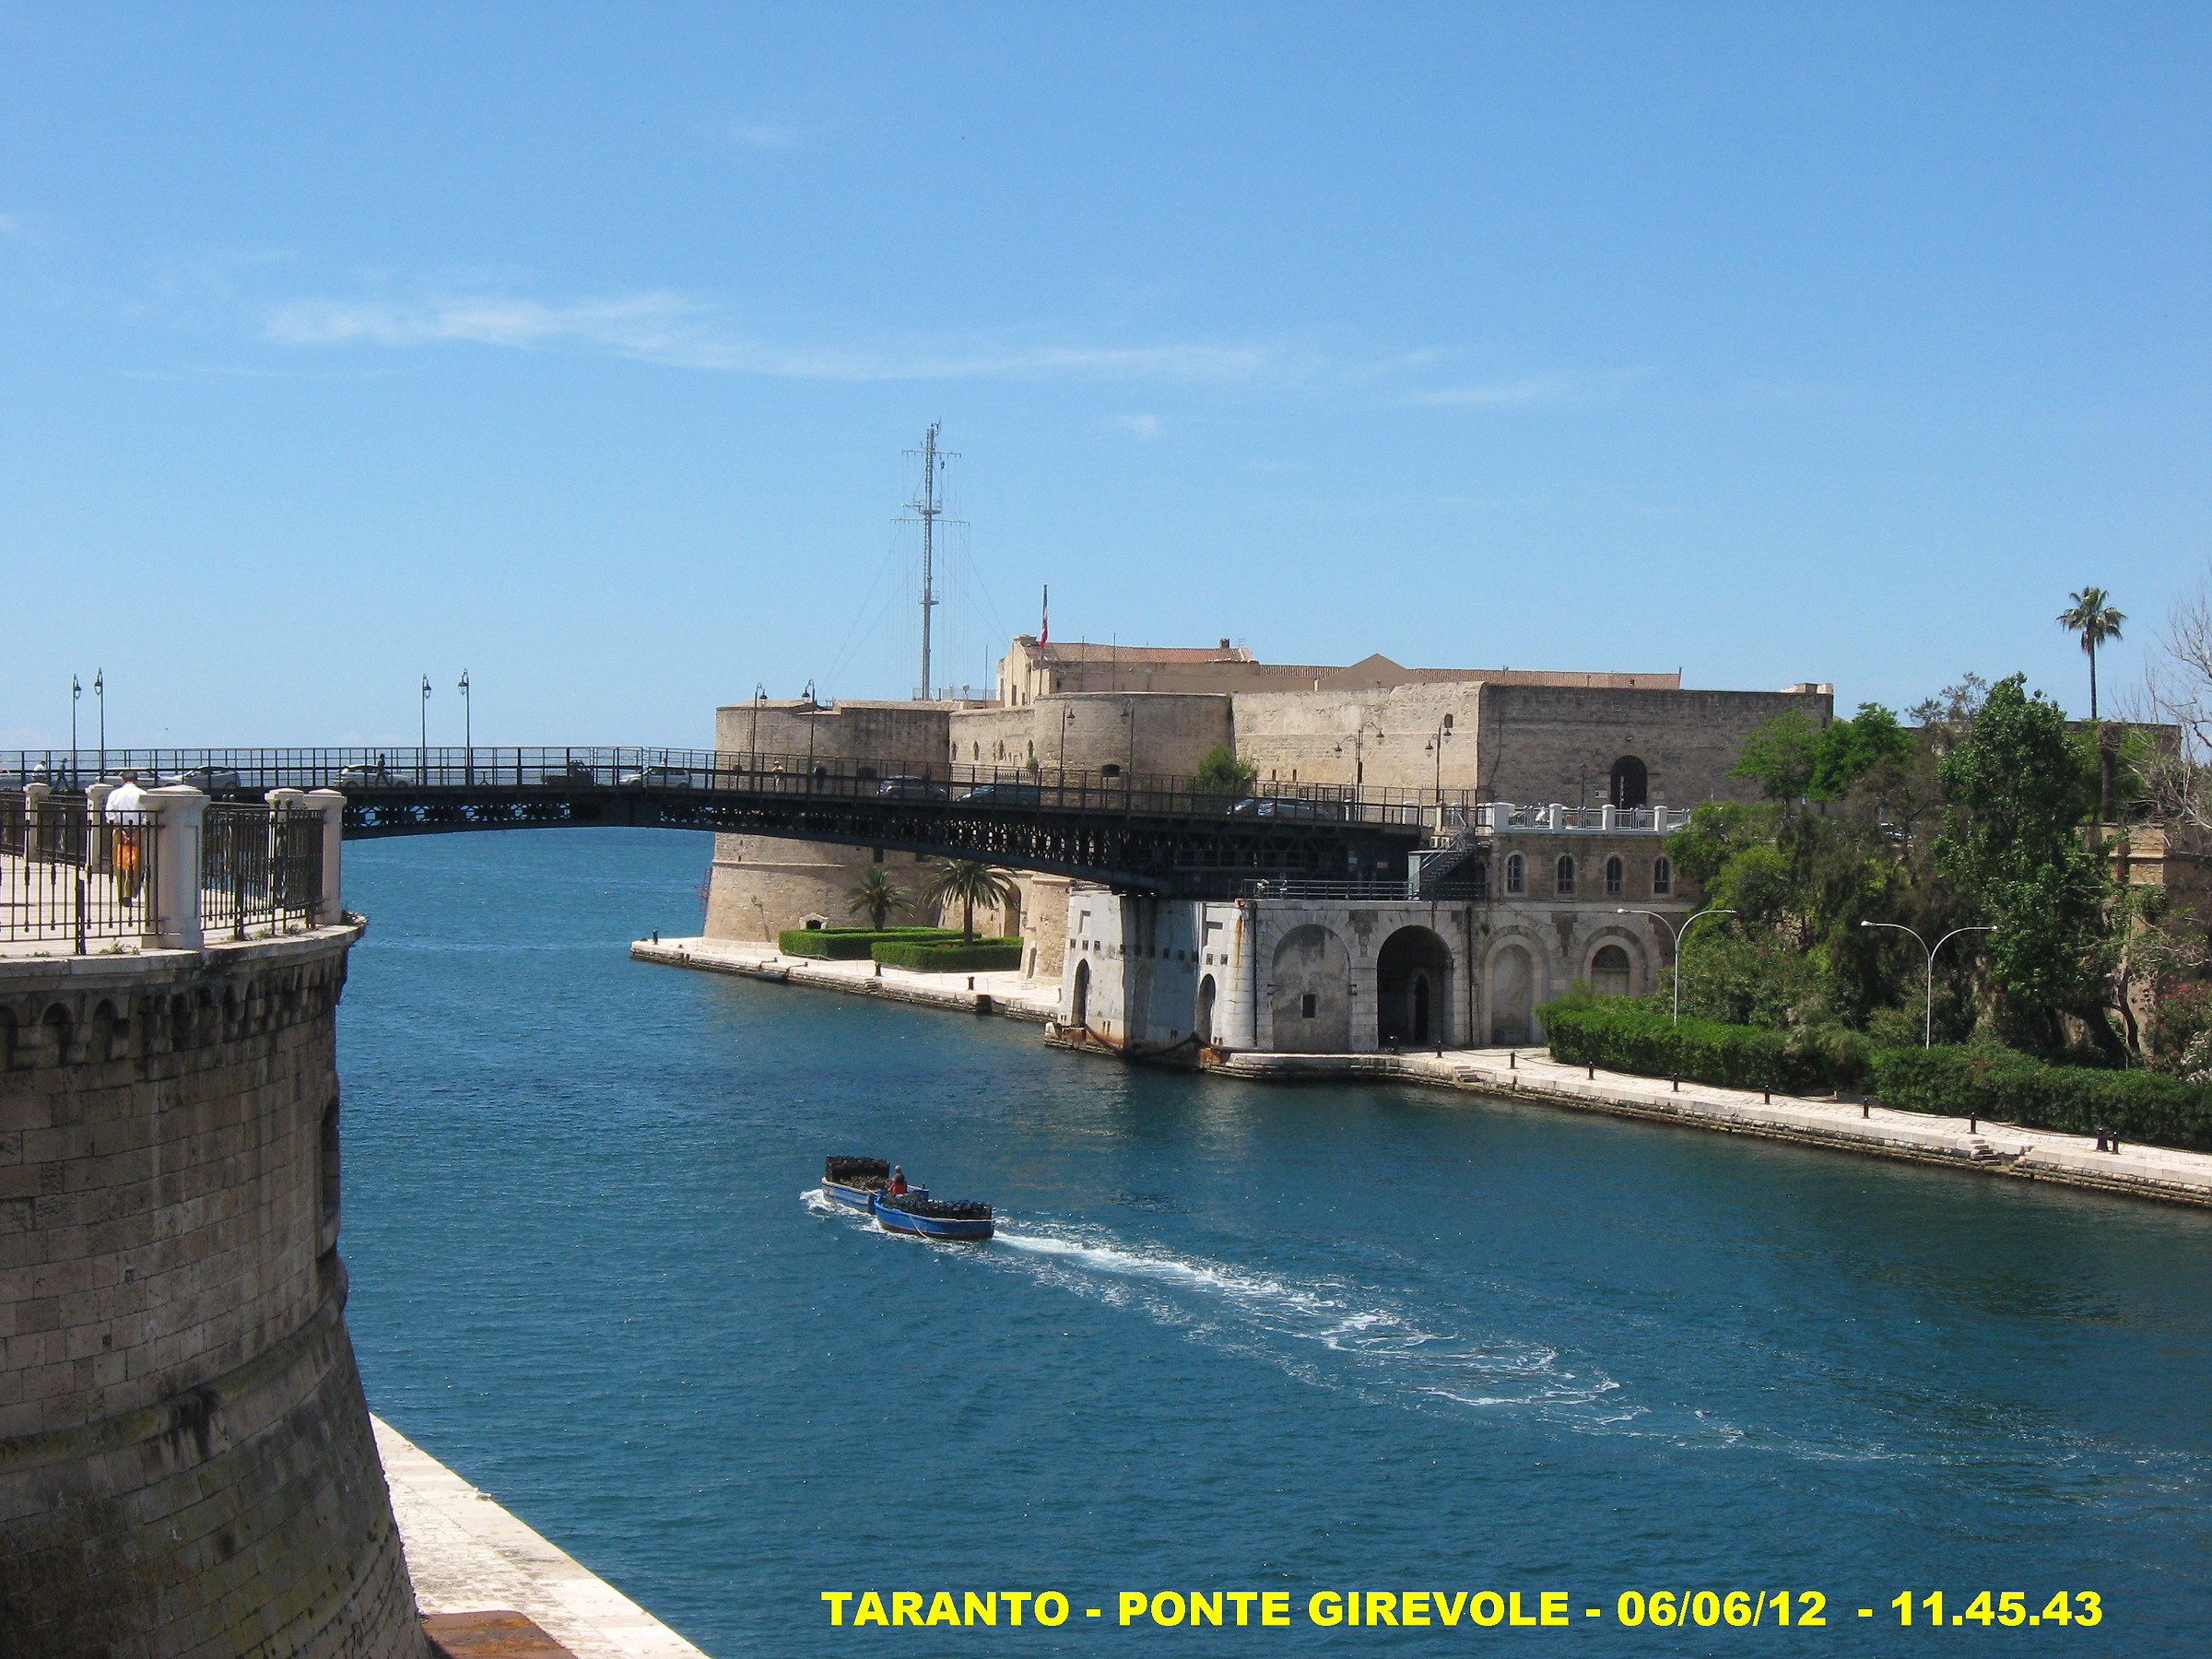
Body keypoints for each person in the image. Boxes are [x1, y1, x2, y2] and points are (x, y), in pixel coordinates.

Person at [105, 771, 147, 901]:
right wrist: (137, 832)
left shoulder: (115, 794)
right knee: (137, 862)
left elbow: (110, 814)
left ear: (123, 780)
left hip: (120, 829)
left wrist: (120, 830)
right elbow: (147, 816)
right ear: (137, 780)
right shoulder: (143, 794)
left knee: (120, 862)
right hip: (138, 830)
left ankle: (122, 893)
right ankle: (132, 890)